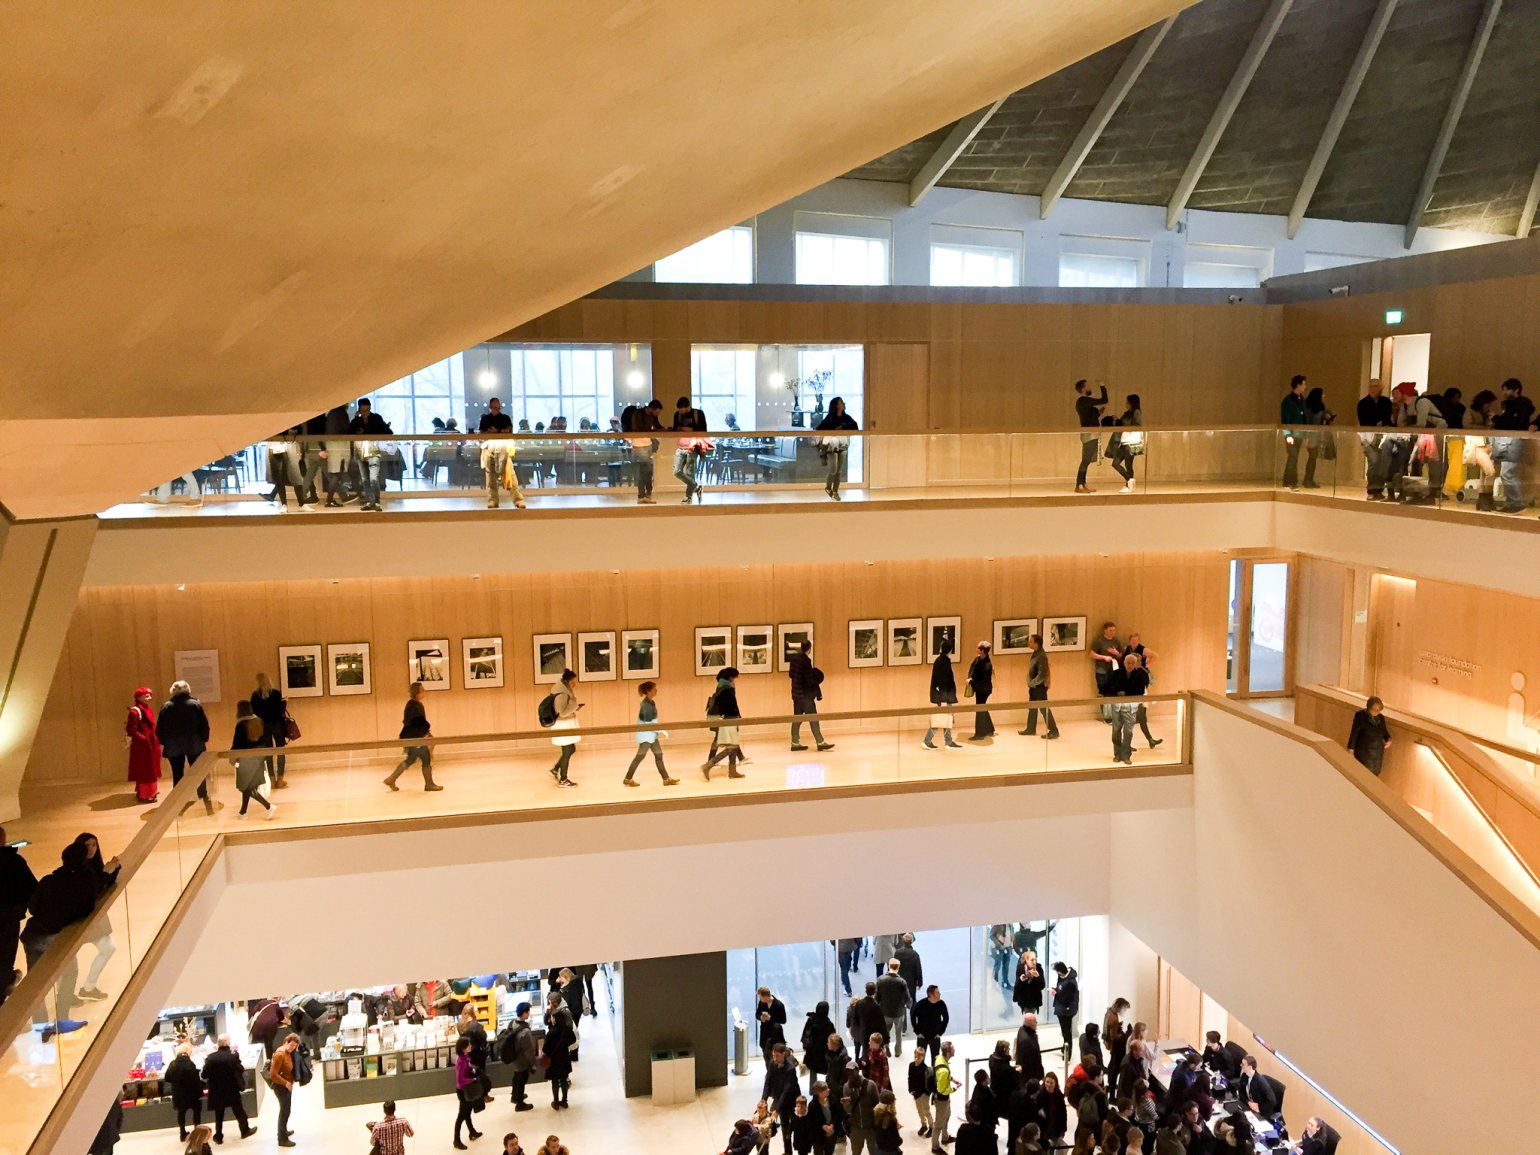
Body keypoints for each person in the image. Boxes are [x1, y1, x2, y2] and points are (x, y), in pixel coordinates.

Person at [22, 840, 97, 1039]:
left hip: (33, 935)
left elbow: (33, 907)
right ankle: (61, 1019)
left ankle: (40, 1026)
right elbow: (87, 908)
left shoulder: (49, 880)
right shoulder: (84, 881)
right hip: (56, 936)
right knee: (70, 972)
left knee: (36, 982)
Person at [71, 833, 120, 1001]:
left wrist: (113, 869)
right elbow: (95, 887)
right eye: (87, 845)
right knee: (108, 948)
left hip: (93, 914)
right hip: (84, 916)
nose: (91, 849)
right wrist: (107, 871)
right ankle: (87, 988)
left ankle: (87, 988)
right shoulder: (80, 869)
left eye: (94, 845)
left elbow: (104, 883)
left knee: (108, 948)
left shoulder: (92, 865)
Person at [0, 825, 38, 1007]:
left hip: (9, 915)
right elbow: (32, 888)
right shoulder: (13, 861)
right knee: (5, 955)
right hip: (9, 917)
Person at [157, 680, 212, 805]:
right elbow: (204, 724)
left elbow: (160, 728)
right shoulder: (195, 704)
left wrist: (165, 741)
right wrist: (204, 739)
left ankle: (178, 798)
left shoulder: (166, 707)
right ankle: (202, 795)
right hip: (194, 742)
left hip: (173, 744)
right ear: (187, 690)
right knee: (198, 771)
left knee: (177, 773)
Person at [385, 682, 442, 791]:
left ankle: (391, 779)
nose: (424, 692)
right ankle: (429, 784)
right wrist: (425, 734)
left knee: (411, 759)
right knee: (425, 757)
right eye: (422, 690)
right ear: (417, 692)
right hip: (414, 738)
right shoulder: (414, 705)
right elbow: (415, 723)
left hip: (411, 737)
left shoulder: (413, 704)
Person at [1490, 377, 1534, 513]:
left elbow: (1512, 423)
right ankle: (1511, 502)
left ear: (1516, 390)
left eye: (1507, 390)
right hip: (1510, 440)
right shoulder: (1514, 405)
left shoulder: (1520, 405)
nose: (1504, 392)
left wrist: (1496, 418)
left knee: (1507, 473)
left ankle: (1516, 502)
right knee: (1506, 473)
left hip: (1512, 441)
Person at [202, 1033, 256, 1142]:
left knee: (219, 1114)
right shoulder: (233, 1056)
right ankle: (244, 1130)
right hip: (232, 1089)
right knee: (238, 1110)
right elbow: (240, 1069)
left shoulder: (210, 1058)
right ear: (227, 1043)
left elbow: (204, 1075)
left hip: (216, 1090)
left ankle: (218, 1135)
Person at [229, 701, 276, 819]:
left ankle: (268, 806)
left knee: (246, 786)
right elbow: (264, 739)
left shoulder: (241, 724)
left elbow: (237, 744)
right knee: (249, 785)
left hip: (245, 758)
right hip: (258, 757)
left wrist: (232, 757)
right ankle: (243, 812)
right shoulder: (258, 721)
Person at [478, 397, 526, 510]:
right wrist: (489, 432)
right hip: (489, 448)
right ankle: (492, 500)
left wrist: (499, 431)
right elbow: (481, 433)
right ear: (490, 407)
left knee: (510, 474)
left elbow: (509, 430)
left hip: (503, 448)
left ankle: (518, 499)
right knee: (490, 476)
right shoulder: (485, 419)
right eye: (494, 407)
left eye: (498, 407)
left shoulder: (505, 418)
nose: (496, 409)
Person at [348, 399, 394, 512]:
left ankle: (376, 501)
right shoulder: (356, 421)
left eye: (367, 410)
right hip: (360, 452)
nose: (365, 413)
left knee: (373, 478)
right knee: (365, 479)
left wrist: (365, 433)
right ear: (359, 409)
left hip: (373, 451)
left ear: (370, 408)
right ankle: (370, 501)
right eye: (363, 410)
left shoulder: (376, 418)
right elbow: (348, 433)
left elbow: (388, 431)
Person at [789, 640, 835, 753]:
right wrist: (817, 679)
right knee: (813, 719)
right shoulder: (806, 661)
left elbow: (791, 675)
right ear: (809, 649)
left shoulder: (794, 660)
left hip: (796, 694)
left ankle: (795, 742)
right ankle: (820, 742)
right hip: (805, 696)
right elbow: (809, 680)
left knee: (797, 719)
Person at [703, 667, 747, 779]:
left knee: (733, 745)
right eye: (735, 678)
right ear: (731, 677)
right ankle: (709, 765)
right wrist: (736, 717)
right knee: (731, 747)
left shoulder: (722, 687)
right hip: (729, 720)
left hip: (728, 719)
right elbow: (731, 706)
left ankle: (732, 771)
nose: (735, 680)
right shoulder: (727, 689)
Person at [1121, 635, 1163, 748]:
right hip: (1134, 699)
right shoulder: (1130, 673)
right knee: (1132, 721)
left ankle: (1149, 740)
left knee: (1141, 720)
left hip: (1140, 698)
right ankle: (1127, 744)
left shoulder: (1140, 671)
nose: (1140, 662)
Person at [250, 672, 289, 788]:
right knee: (280, 750)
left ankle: (271, 779)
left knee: (268, 752)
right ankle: (280, 779)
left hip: (263, 726)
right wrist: (285, 701)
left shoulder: (255, 695)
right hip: (277, 724)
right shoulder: (276, 693)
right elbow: (280, 710)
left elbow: (253, 712)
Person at [816, 397, 859, 499]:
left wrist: (843, 427)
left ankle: (835, 491)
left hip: (843, 445)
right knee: (833, 470)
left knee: (839, 471)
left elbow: (855, 427)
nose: (843, 404)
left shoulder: (846, 418)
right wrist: (834, 431)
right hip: (832, 446)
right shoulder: (830, 417)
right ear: (836, 405)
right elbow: (820, 429)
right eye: (841, 402)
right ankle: (828, 487)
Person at [1110, 651, 1147, 765]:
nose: (1130, 665)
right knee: (1116, 731)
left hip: (1131, 708)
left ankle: (1126, 755)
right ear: (1124, 663)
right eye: (1128, 663)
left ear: (1135, 664)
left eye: (1132, 663)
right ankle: (1117, 754)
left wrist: (1126, 693)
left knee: (1128, 732)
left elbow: (1140, 691)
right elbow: (1110, 688)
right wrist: (1116, 692)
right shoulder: (1117, 674)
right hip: (1117, 707)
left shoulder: (1139, 676)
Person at [125, 686, 161, 803]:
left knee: (150, 769)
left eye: (150, 696)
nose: (149, 698)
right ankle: (146, 794)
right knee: (145, 771)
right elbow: (131, 730)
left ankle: (149, 792)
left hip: (149, 744)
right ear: (139, 697)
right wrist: (144, 739)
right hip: (143, 746)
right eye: (147, 696)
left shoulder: (146, 709)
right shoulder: (135, 712)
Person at [764, 1044, 802, 1155]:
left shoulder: (790, 1068)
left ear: (783, 1054)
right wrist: (764, 1100)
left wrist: (776, 1109)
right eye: (773, 1056)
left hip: (792, 1101)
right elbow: (768, 1083)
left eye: (777, 1056)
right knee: (785, 1127)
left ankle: (801, 1150)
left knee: (796, 1126)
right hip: (780, 1099)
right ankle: (788, 1152)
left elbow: (786, 1091)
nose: (775, 1058)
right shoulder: (772, 1064)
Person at [923, 639, 962, 750]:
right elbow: (943, 682)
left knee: (947, 717)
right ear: (950, 650)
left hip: (944, 695)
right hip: (944, 696)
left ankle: (947, 741)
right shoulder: (943, 662)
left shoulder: (941, 660)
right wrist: (944, 699)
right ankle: (928, 741)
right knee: (942, 718)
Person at [671, 395, 710, 503]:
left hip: (693, 447)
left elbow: (704, 429)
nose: (680, 411)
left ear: (687, 407)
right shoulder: (677, 415)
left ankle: (688, 496)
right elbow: (675, 428)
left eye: (682, 409)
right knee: (676, 471)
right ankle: (696, 487)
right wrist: (679, 429)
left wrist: (690, 429)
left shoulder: (698, 414)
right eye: (679, 409)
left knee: (690, 472)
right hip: (680, 446)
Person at [1357, 378, 1392, 499]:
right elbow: (1364, 422)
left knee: (1381, 464)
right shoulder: (1362, 403)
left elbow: (1387, 419)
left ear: (1381, 388)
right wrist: (1377, 423)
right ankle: (1371, 490)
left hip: (1382, 438)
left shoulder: (1386, 402)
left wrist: (1381, 423)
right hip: (1368, 438)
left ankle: (1379, 490)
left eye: (1376, 386)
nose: (1373, 389)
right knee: (1374, 462)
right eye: (1371, 386)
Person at [548, 669, 583, 788]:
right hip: (563, 724)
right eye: (573, 682)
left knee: (570, 749)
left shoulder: (562, 689)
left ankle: (556, 769)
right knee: (568, 750)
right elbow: (562, 712)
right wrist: (575, 706)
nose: (575, 684)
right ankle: (563, 779)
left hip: (564, 724)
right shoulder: (562, 693)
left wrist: (574, 707)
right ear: (568, 681)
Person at [542, 992, 578, 1110]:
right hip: (564, 1056)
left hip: (554, 1058)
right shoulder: (565, 1030)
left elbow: (545, 1048)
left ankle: (556, 1101)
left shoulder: (551, 1033)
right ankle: (564, 1100)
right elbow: (571, 1037)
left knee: (555, 1081)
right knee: (563, 1079)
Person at [165, 1041, 206, 1141]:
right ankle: (197, 1132)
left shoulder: (173, 1064)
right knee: (196, 1112)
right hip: (191, 1094)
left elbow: (167, 1077)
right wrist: (200, 1088)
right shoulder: (190, 1064)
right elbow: (195, 1080)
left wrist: (176, 1082)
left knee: (181, 1113)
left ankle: (182, 1133)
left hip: (178, 1094)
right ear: (187, 1052)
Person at [1074, 379, 1109, 493]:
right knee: (1085, 460)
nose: (1090, 388)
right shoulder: (1084, 400)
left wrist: (1099, 413)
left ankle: (1082, 484)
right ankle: (1079, 485)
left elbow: (1090, 416)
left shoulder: (1083, 402)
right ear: (1083, 388)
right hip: (1090, 434)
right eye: (1088, 386)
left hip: (1091, 433)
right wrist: (1102, 386)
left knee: (1086, 460)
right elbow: (1104, 400)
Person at [1107, 394, 1144, 493]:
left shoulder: (1136, 412)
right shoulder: (1127, 413)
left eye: (1127, 402)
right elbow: (1122, 424)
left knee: (1128, 465)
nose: (1126, 403)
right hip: (1124, 441)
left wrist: (1124, 426)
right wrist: (1117, 421)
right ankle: (1130, 482)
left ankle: (1129, 484)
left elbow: (1138, 426)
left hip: (1131, 442)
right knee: (1116, 463)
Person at [453, 1036, 485, 1149]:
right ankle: (456, 1140)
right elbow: (460, 1080)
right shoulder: (460, 1061)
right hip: (463, 1090)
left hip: (466, 1089)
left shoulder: (465, 1057)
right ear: (463, 1048)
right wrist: (473, 1079)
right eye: (468, 1045)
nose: (470, 1046)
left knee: (467, 1112)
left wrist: (472, 1069)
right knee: (462, 1115)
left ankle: (472, 1132)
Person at [1347, 695, 1391, 776]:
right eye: (1375, 709)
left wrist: (1388, 739)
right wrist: (1351, 749)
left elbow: (1384, 732)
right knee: (1363, 774)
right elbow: (1354, 733)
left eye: (1379, 710)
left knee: (1374, 776)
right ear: (1369, 707)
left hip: (1377, 754)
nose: (1377, 712)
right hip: (1364, 752)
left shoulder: (1381, 718)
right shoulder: (1360, 716)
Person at [269, 1033, 300, 1148]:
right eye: (291, 1045)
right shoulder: (280, 1054)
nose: (292, 1048)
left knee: (286, 1110)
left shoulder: (288, 1053)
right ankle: (282, 1138)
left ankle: (283, 1131)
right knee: (284, 1111)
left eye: (294, 1046)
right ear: (286, 1042)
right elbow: (273, 1074)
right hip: (281, 1086)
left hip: (287, 1085)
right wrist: (285, 1083)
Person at [842, 1061, 880, 1155]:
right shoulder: (846, 1087)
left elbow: (877, 1105)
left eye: (852, 1071)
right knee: (856, 1152)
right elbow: (848, 1110)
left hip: (871, 1126)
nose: (850, 1074)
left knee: (874, 1152)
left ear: (857, 1070)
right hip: (856, 1127)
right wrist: (846, 1104)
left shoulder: (870, 1084)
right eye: (848, 1072)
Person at [1302, 386, 1335, 490]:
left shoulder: (1320, 407)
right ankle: (1307, 480)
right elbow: (1307, 422)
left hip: (1317, 436)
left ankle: (1309, 479)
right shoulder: (1309, 408)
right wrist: (1306, 437)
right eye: (1322, 394)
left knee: (1313, 458)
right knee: (1312, 458)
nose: (1324, 396)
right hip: (1311, 435)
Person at [1090, 621, 1123, 723]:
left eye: (1114, 630)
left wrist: (1116, 653)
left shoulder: (1116, 641)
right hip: (1102, 671)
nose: (1112, 632)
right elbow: (1092, 654)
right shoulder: (1099, 641)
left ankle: (1114, 715)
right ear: (1105, 630)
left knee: (1113, 692)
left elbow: (1122, 656)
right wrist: (1104, 657)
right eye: (1110, 630)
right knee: (1104, 693)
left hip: (1114, 671)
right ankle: (1106, 717)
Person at [800, 1000, 835, 1094]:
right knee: (828, 1072)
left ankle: (813, 1092)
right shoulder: (829, 1024)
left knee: (813, 1071)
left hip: (812, 1052)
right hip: (824, 1053)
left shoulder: (811, 1020)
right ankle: (827, 1091)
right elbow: (832, 1038)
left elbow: (805, 1035)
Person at [875, 959, 909, 1053]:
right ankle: (898, 1051)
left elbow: (877, 996)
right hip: (898, 1011)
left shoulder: (881, 979)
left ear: (888, 966)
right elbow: (906, 997)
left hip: (885, 1011)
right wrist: (909, 1004)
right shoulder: (901, 981)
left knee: (886, 1031)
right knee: (898, 1033)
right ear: (898, 967)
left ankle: (886, 1047)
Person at [930, 1040, 958, 1153]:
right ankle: (935, 1147)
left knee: (947, 1116)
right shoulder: (943, 1071)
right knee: (938, 1124)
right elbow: (941, 1090)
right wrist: (954, 1089)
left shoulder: (940, 1058)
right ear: (948, 1053)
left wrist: (952, 1079)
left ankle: (945, 1137)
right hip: (942, 1100)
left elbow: (943, 1077)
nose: (955, 1050)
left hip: (944, 1098)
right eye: (953, 1048)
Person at [1280, 374, 1308, 490]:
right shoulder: (1288, 401)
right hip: (1291, 434)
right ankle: (1289, 481)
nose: (1305, 386)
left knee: (1294, 457)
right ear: (1298, 385)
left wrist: (1306, 434)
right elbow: (1285, 420)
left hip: (1300, 434)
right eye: (1304, 384)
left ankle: (1289, 481)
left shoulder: (1302, 400)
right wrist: (1288, 435)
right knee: (1293, 456)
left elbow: (1305, 418)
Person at [966, 641, 995, 741]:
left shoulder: (987, 664)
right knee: (982, 707)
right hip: (980, 688)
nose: (977, 649)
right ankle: (989, 729)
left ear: (982, 650)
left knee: (980, 709)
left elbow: (982, 680)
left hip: (984, 689)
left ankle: (980, 734)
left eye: (978, 648)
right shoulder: (978, 659)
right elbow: (972, 670)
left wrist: (971, 681)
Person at [912, 984, 949, 1061]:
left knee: (935, 1060)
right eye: (937, 992)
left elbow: (946, 1018)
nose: (940, 994)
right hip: (922, 1037)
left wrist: (940, 1032)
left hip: (935, 1037)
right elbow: (913, 1016)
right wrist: (917, 1031)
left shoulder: (941, 1004)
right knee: (920, 1060)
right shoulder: (921, 1004)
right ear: (931, 994)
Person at [1050, 961, 1079, 1061]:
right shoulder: (1062, 977)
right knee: (1064, 1032)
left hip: (1067, 1011)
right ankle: (1064, 1049)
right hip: (1061, 1009)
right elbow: (1061, 990)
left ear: (1060, 971)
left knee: (1067, 1033)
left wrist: (1055, 994)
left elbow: (1067, 1000)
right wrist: (1056, 990)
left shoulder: (1071, 982)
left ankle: (1068, 1055)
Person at [907, 1045, 935, 1140]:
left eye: (919, 1057)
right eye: (915, 1056)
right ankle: (924, 1124)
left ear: (923, 1057)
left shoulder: (925, 1069)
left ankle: (932, 1126)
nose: (917, 1059)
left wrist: (927, 1094)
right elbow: (909, 1077)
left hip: (923, 1094)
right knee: (919, 1110)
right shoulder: (911, 1065)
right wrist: (910, 1088)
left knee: (926, 1111)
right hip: (916, 1094)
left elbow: (928, 1083)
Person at [1039, 1071, 1068, 1149]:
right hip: (1044, 1130)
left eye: (1051, 1083)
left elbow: (1063, 1114)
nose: (1048, 1084)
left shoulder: (1059, 1096)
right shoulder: (1040, 1094)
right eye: (1047, 1082)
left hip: (1055, 1129)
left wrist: (1063, 1131)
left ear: (1055, 1083)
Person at [1014, 1012, 1045, 1082]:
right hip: (1030, 1075)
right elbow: (1031, 1062)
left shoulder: (1021, 1029)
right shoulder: (1027, 1041)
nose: (1037, 1023)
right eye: (1035, 1021)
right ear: (1030, 1022)